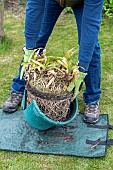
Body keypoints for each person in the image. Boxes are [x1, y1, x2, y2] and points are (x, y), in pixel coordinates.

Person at [2, 0, 104, 124]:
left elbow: (90, 26)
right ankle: (19, 87)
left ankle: (92, 99)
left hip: (83, 3)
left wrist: (81, 72)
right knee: (37, 41)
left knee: (91, 48)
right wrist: (29, 51)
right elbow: (34, 7)